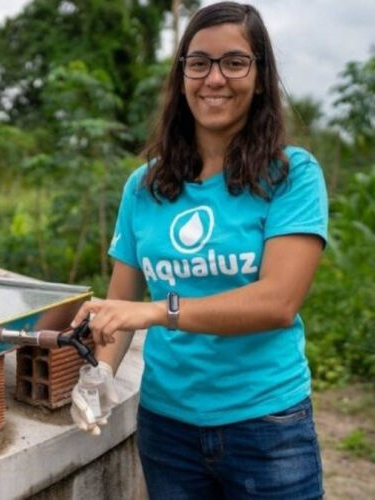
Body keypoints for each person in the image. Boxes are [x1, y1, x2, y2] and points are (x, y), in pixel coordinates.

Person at [68, 2, 328, 499]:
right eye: (199, 62)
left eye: (234, 62)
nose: (215, 78)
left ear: (259, 73)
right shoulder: (144, 186)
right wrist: (99, 373)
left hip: (267, 424)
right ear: (182, 73)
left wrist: (154, 312)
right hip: (167, 429)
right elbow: (120, 304)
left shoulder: (290, 175)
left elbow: (277, 302)